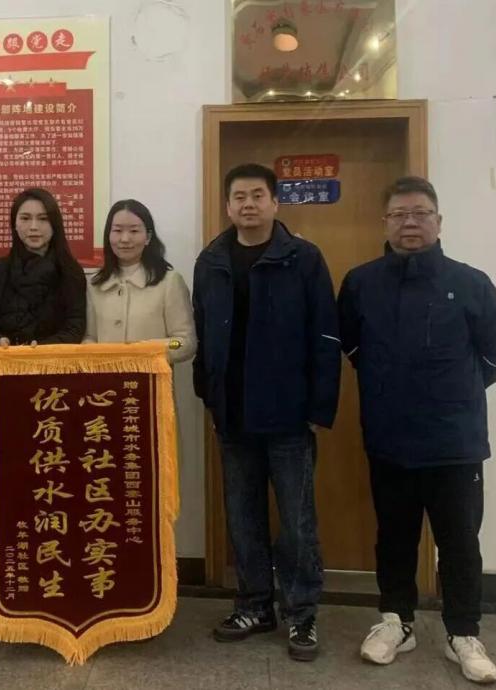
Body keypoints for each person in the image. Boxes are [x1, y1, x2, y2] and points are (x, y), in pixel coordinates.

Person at [339, 176, 496, 684]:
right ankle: (397, 621)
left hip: (455, 440)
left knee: (459, 541)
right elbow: (351, 344)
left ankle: (464, 633)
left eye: (420, 213)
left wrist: (455, 391)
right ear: (385, 223)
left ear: (439, 221)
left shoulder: (471, 282)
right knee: (394, 536)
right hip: (389, 437)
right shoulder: (361, 282)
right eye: (399, 214)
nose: (409, 223)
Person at [192, 163, 340, 661]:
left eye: (258, 195)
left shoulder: (303, 257)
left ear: (275, 203)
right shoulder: (211, 260)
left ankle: (302, 613)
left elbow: (325, 334)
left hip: (289, 413)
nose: (248, 204)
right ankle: (254, 604)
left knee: (297, 520)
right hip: (232, 413)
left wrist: (320, 405)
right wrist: (208, 395)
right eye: (239, 196)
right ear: (227, 205)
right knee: (243, 516)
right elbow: (203, 330)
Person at [0, 188, 86, 499]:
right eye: (25, 218)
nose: (33, 227)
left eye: (42, 219)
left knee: (48, 477)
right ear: (14, 224)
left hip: (52, 387)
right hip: (0, 384)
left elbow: (75, 328)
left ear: (55, 224)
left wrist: (37, 352)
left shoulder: (70, 272)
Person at [84, 199, 195, 364]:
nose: (125, 239)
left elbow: (183, 342)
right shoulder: (94, 284)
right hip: (104, 377)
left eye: (134, 231)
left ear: (148, 237)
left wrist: (151, 349)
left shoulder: (169, 282)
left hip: (151, 378)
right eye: (117, 230)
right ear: (108, 235)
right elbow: (88, 337)